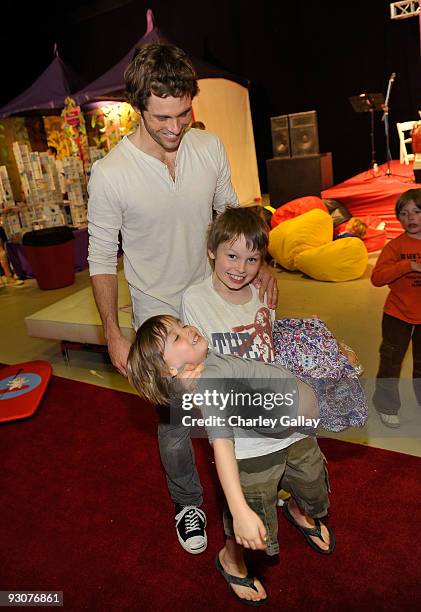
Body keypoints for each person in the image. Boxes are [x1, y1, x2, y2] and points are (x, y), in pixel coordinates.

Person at [87, 41, 277, 554]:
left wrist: (257, 265)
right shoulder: (110, 174)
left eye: (183, 113)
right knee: (176, 418)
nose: (174, 127)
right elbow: (102, 256)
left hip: (216, 296)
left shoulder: (208, 147)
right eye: (161, 117)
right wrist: (112, 330)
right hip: (159, 312)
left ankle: (257, 476)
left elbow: (230, 216)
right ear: (138, 108)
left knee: (237, 392)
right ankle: (188, 501)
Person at [126, 314, 329, 605]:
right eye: (176, 337)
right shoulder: (209, 382)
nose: (188, 330)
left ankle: (298, 509)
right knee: (256, 508)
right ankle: (230, 561)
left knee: (310, 482)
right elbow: (221, 447)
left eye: (182, 325)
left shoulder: (204, 360)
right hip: (264, 442)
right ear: (169, 368)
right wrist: (239, 510)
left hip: (295, 433)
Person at [371, 188, 421, 428]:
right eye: (404, 213)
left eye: (417, 212)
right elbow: (377, 278)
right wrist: (408, 265)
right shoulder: (395, 247)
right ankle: (386, 405)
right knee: (391, 361)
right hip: (397, 315)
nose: (411, 218)